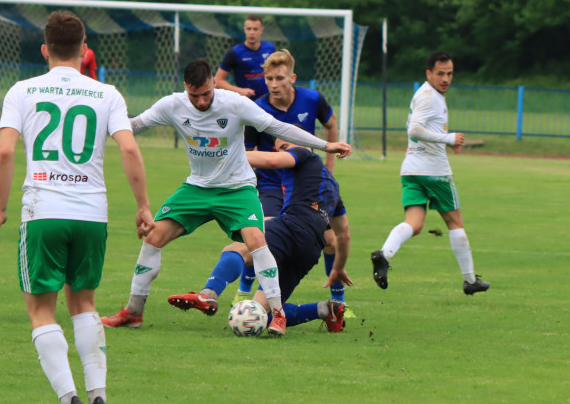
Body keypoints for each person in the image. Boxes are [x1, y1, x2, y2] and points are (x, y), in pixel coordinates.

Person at [0, 11, 154, 404]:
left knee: (41, 310)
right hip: (91, 214)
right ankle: (98, 397)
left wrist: (0, 210)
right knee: (84, 305)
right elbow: (130, 150)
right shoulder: (107, 94)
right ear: (84, 50)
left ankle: (69, 401)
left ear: (45, 49)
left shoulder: (22, 91)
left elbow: (6, 153)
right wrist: (143, 205)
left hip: (43, 210)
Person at [100, 58, 352, 336]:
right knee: (153, 237)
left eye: (206, 93)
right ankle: (133, 312)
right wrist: (103, 119)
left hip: (237, 188)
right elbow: (132, 127)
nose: (201, 101)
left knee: (256, 241)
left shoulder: (233, 103)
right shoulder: (172, 105)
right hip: (196, 188)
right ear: (186, 88)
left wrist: (325, 145)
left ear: (212, 84)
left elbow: (277, 127)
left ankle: (278, 314)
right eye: (194, 96)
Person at [168, 138, 351, 333]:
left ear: (305, 143)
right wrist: (338, 268)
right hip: (311, 248)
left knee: (237, 249)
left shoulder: (304, 155)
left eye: (285, 147)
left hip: (291, 227)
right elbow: (344, 234)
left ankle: (208, 294)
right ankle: (327, 309)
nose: (281, 151)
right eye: (279, 148)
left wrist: (226, 157)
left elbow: (271, 161)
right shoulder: (333, 186)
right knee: (258, 313)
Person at [370, 50, 489, 296]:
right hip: (434, 172)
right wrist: (448, 138)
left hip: (411, 170)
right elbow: (415, 129)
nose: (446, 78)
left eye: (450, 74)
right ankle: (469, 280)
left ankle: (384, 254)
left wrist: (446, 140)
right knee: (455, 222)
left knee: (414, 224)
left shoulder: (427, 93)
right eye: (440, 73)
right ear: (429, 73)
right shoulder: (430, 96)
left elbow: (422, 128)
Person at [237, 49, 345, 305]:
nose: (274, 84)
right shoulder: (258, 109)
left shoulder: (312, 99)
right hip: (271, 184)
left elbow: (331, 125)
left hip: (306, 184)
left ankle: (339, 302)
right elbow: (249, 152)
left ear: (292, 78)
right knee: (264, 238)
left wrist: (328, 167)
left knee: (331, 240)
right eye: (269, 79)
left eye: (280, 78)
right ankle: (244, 293)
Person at [213, 15, 276, 98]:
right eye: (249, 29)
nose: (252, 32)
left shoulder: (270, 48)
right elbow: (217, 80)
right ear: (244, 30)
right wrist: (239, 91)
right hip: (246, 101)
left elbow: (277, 72)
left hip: (269, 99)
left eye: (255, 29)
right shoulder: (234, 52)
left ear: (262, 30)